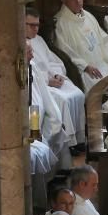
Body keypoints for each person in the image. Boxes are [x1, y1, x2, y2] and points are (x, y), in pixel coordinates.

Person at [25, 8, 85, 149]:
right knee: (62, 100)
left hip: (51, 80)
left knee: (78, 94)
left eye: (37, 25)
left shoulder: (39, 40)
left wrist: (57, 74)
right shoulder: (20, 43)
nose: (36, 29)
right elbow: (31, 70)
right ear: (22, 24)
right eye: (31, 25)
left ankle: (78, 137)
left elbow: (53, 61)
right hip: (40, 85)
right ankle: (68, 142)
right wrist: (48, 80)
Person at [54, 0, 108, 90]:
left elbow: (105, 39)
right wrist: (85, 66)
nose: (78, 1)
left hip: (104, 64)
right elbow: (64, 51)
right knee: (101, 88)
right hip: (86, 71)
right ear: (63, 0)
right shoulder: (60, 22)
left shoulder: (89, 16)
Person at [27, 41, 72, 171]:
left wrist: (55, 115)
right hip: (30, 121)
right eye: (29, 51)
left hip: (38, 115)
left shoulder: (32, 65)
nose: (32, 54)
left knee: (58, 129)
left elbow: (44, 93)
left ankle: (60, 172)